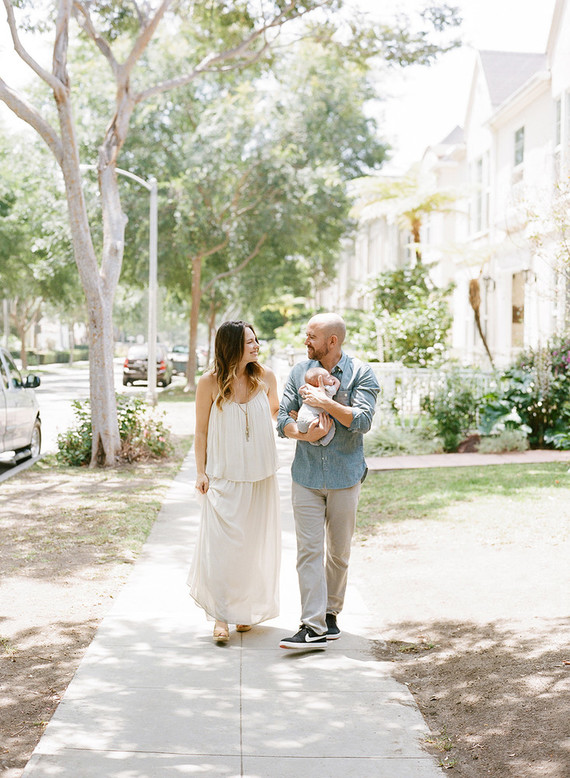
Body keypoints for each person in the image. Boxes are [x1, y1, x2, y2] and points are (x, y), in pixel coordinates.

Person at [277, 313, 380, 650]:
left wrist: (327, 404)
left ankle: (330, 616)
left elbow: (362, 420)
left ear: (331, 342)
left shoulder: (360, 373)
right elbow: (282, 418)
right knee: (308, 552)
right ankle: (312, 624)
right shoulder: (297, 372)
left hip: (345, 476)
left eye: (311, 336)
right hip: (305, 476)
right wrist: (303, 435)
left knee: (338, 553)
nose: (306, 341)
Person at [187, 320, 281, 644]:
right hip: (224, 476)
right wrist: (201, 472)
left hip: (260, 477)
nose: (257, 346)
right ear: (231, 348)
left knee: (251, 547)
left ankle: (244, 611)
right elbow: (200, 431)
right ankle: (221, 616)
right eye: (250, 342)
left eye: (257, 340)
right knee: (222, 549)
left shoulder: (266, 377)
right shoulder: (209, 383)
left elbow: (277, 416)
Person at [296, 366, 340, 446]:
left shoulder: (308, 390)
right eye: (328, 378)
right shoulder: (326, 390)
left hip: (301, 420)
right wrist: (336, 380)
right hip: (313, 420)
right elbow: (336, 386)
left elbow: (300, 390)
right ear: (318, 383)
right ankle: (323, 442)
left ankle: (312, 440)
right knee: (330, 424)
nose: (331, 379)